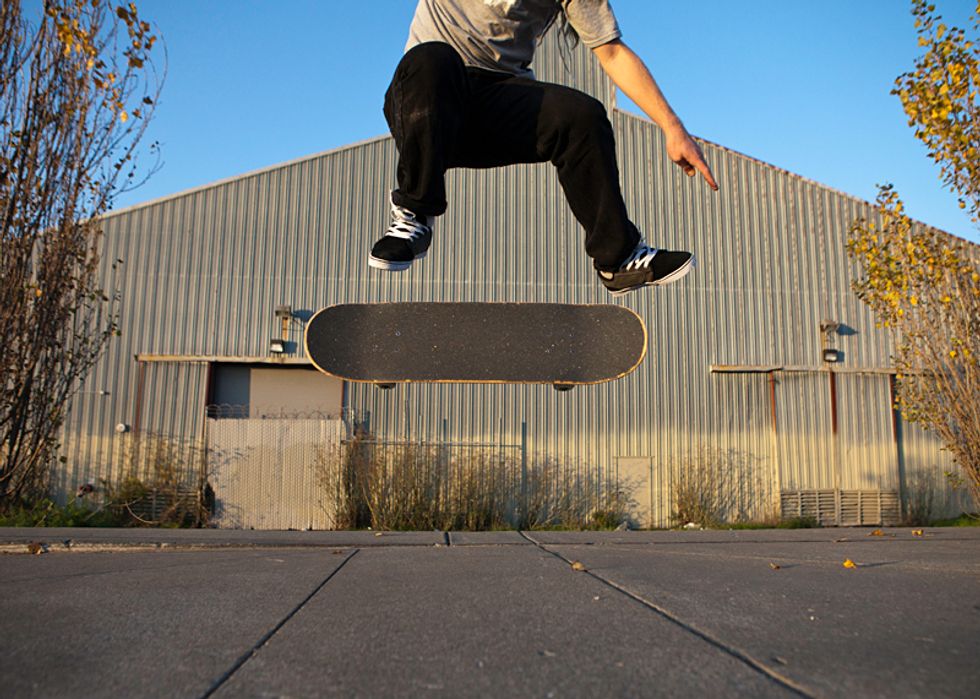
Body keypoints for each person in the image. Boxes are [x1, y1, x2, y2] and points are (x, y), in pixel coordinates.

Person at [370, 0, 718, 296]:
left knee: (582, 115)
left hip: (497, 104)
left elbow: (611, 52)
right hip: (426, 102)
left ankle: (618, 257)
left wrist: (673, 127)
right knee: (433, 59)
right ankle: (414, 214)